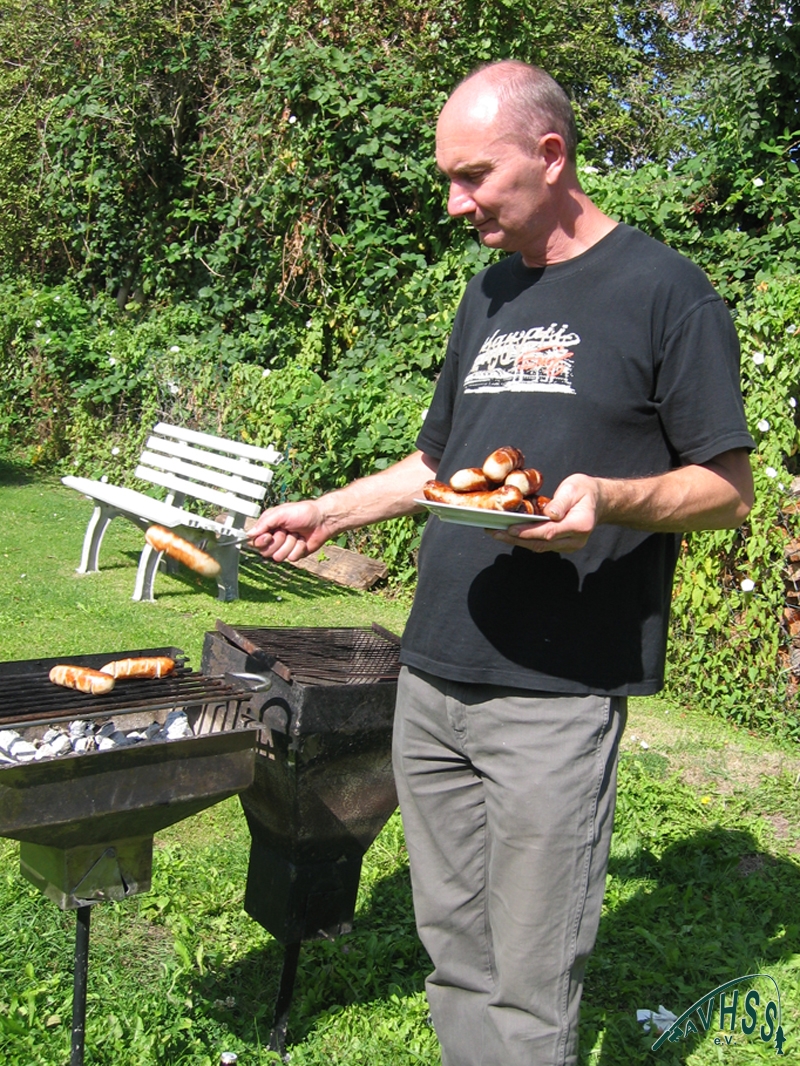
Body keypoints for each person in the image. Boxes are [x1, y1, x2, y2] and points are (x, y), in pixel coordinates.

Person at [249, 60, 755, 1066]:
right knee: (453, 947)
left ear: (550, 155)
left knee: (528, 973)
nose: (454, 201)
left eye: (472, 175)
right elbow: (440, 465)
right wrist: (327, 511)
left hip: (554, 689)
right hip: (434, 669)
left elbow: (726, 488)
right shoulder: (488, 290)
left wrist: (608, 499)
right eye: (449, 177)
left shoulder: (666, 292)